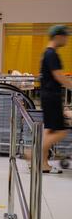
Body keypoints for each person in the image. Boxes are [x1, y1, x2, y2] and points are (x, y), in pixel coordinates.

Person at [40, 25, 70, 174]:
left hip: (48, 96)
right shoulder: (51, 54)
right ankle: (32, 154)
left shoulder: (48, 53)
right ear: (58, 36)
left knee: (49, 130)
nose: (67, 40)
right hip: (52, 97)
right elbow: (59, 76)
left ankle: (43, 163)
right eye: (65, 37)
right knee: (61, 131)